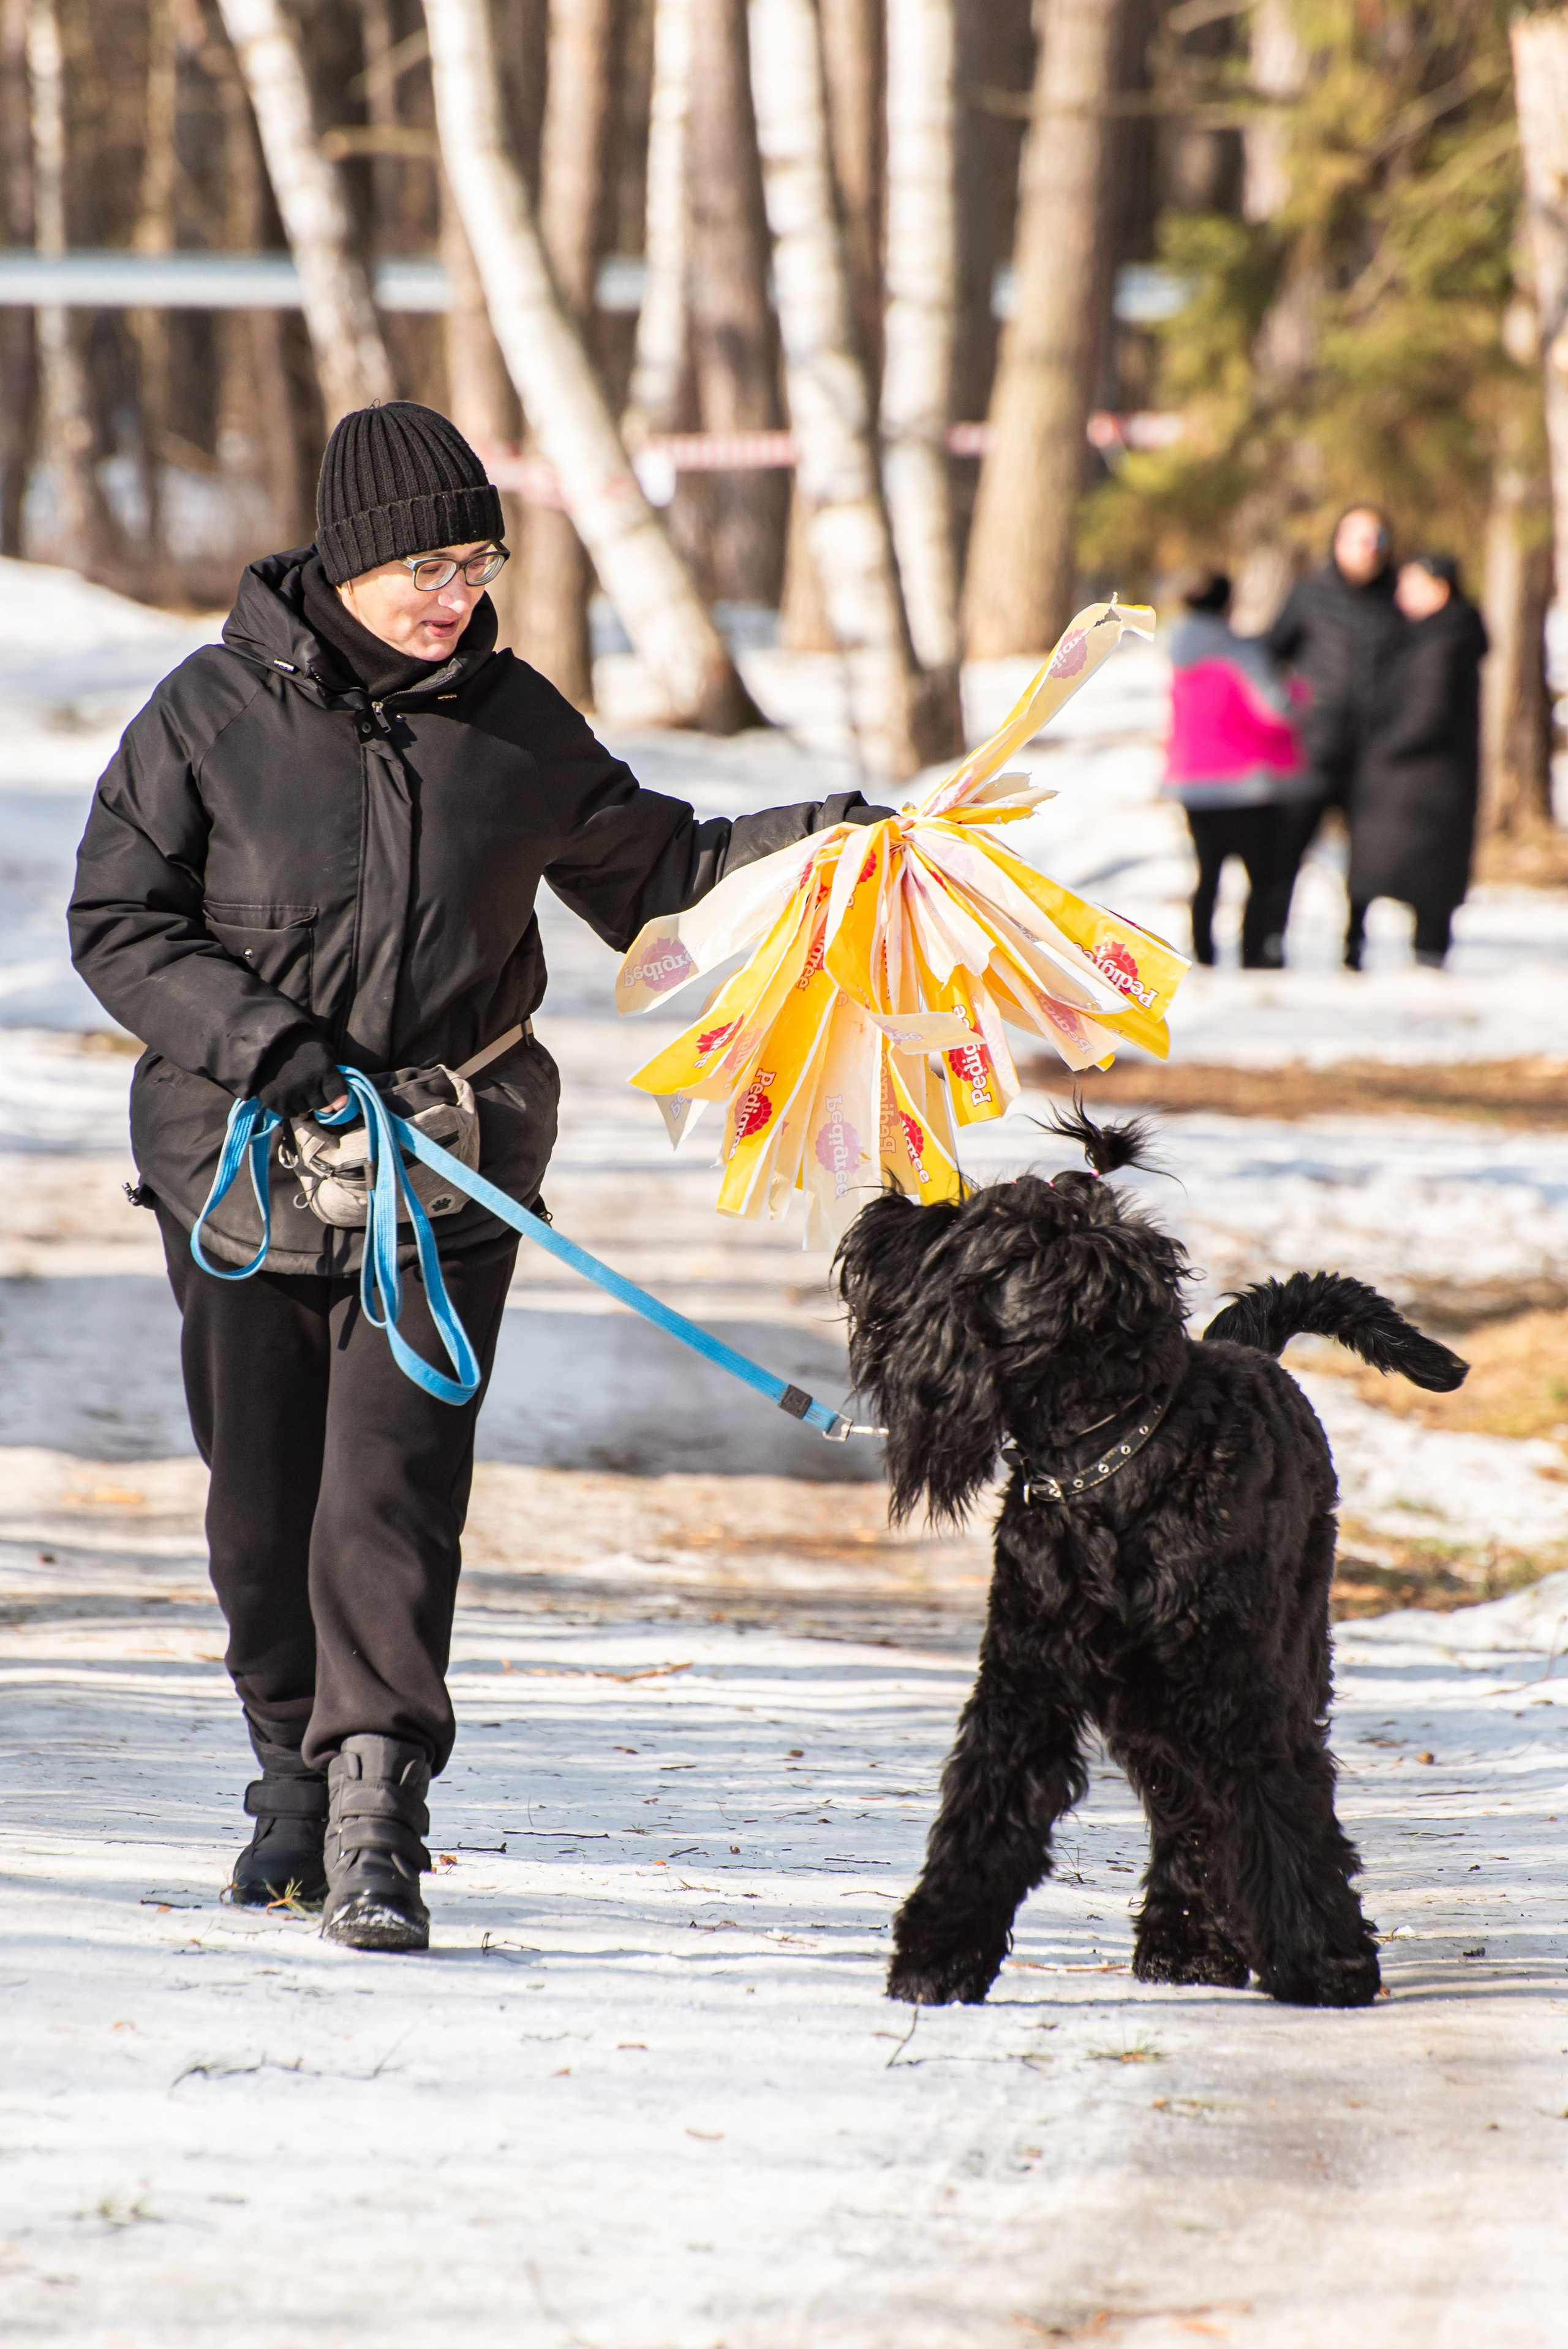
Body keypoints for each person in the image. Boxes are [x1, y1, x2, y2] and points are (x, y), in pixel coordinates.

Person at [67, 401, 891, 1954]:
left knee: (387, 1488)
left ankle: (379, 1813)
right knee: (261, 1507)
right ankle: (288, 1797)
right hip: (240, 1169)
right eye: (424, 564)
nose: (453, 591)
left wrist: (821, 847)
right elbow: (119, 921)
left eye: (478, 558)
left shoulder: (513, 725)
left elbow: (657, 871)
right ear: (349, 559)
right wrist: (270, 1046)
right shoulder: (208, 714)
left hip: (446, 1163)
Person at [1263, 504, 1406, 941]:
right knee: (1287, 851)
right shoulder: (1309, 594)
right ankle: (1269, 939)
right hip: (1313, 748)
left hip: (1374, 753)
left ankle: (1355, 945)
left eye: (1378, 539)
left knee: (1366, 858)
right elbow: (1272, 654)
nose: (1369, 550)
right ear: (1339, 543)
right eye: (1360, 539)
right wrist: (1293, 709)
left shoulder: (1397, 599)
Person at [1161, 570, 1314, 968]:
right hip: (1243, 783)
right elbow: (1275, 711)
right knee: (1261, 875)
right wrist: (1300, 692)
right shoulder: (1238, 653)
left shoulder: (1177, 652)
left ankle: (1204, 954)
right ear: (1227, 604)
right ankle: (1253, 953)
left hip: (1192, 782)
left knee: (1208, 872)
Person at [1344, 554, 1488, 969]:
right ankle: (1364, 946)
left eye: (1412, 584)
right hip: (1411, 779)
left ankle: (1425, 956)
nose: (1401, 593)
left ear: (1440, 590)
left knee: (1425, 879)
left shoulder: (1445, 641)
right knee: (1385, 871)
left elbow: (1430, 711)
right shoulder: (1422, 634)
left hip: (1425, 783)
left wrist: (1384, 748)